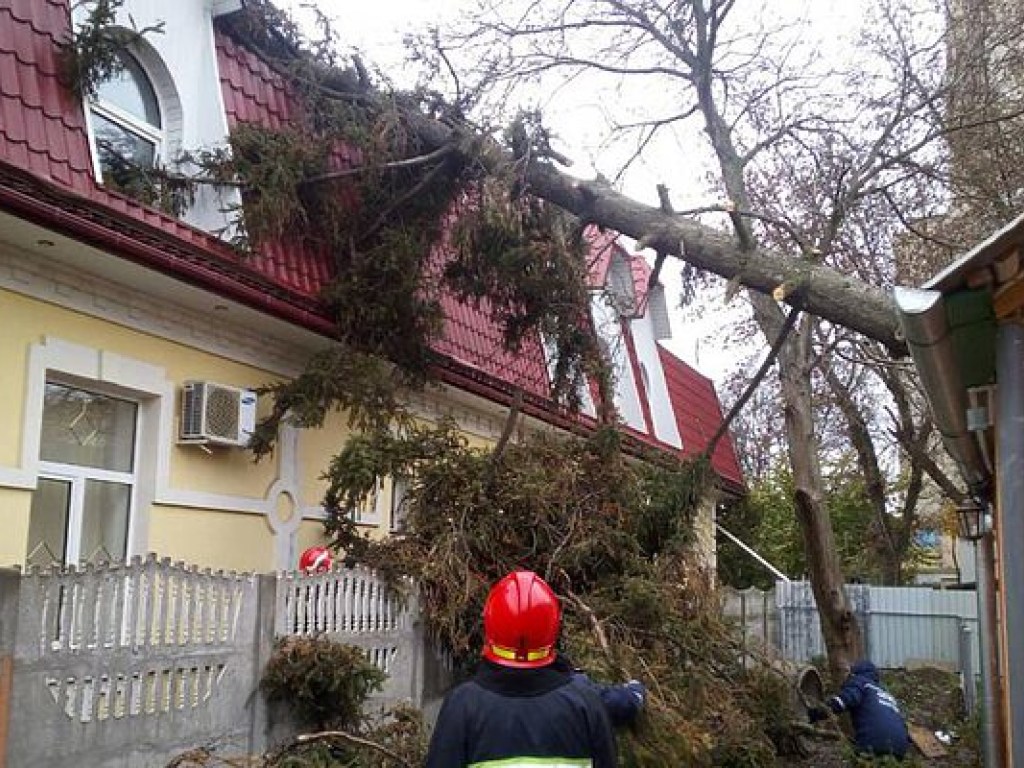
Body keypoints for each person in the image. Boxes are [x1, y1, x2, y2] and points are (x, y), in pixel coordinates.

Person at [425, 570, 643, 768]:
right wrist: (636, 692)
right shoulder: (585, 703)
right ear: (553, 626)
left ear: (490, 623)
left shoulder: (462, 706)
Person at [808, 659, 911, 759]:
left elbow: (843, 701)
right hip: (900, 749)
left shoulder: (860, 682)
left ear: (855, 673)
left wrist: (815, 713)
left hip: (873, 743)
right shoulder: (886, 694)